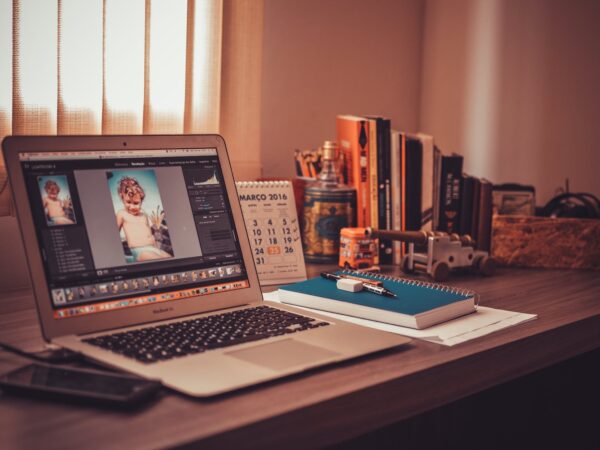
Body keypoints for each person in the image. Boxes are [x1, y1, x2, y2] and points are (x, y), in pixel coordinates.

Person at [115, 176, 171, 262]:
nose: (132, 206)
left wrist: (156, 245)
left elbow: (149, 233)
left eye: (136, 203)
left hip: (153, 248)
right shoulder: (122, 214)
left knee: (169, 257)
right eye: (128, 202)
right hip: (140, 251)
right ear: (122, 198)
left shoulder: (144, 215)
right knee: (160, 261)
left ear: (141, 200)